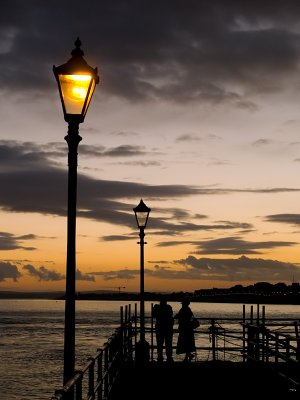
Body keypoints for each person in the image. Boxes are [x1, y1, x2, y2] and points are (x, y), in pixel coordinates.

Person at [152, 297, 174, 362]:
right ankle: (168, 356)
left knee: (160, 343)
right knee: (168, 343)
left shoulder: (157, 308)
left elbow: (154, 315)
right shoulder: (169, 308)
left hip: (160, 328)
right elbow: (171, 315)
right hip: (167, 328)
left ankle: (160, 356)